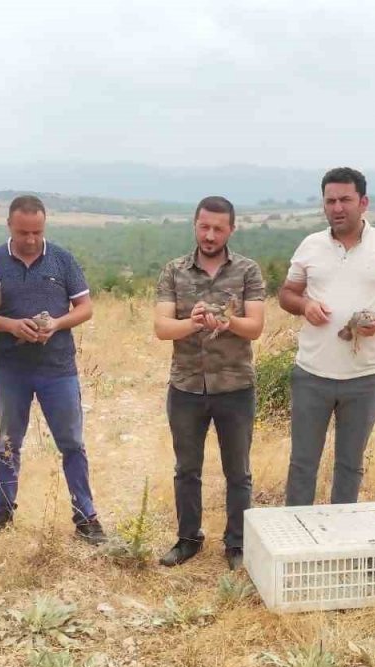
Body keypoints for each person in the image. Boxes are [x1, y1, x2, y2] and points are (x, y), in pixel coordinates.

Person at [278, 167, 375, 506]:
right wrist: (305, 304)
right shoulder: (310, 245)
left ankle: (341, 538)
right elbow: (286, 294)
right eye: (330, 201)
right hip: (311, 373)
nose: (337, 208)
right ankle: (296, 538)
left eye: (345, 200)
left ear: (364, 202)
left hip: (363, 378)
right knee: (302, 463)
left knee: (349, 465)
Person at [0, 195, 105, 543]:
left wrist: (57, 324)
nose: (30, 239)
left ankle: (85, 515)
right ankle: (2, 508)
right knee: (8, 442)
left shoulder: (62, 259)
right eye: (23, 232)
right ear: (9, 227)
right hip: (11, 367)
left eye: (37, 232)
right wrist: (10, 326)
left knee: (72, 443)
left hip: (58, 367)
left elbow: (85, 307)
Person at [153, 196, 266, 570]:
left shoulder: (248, 271)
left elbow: (256, 327)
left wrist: (227, 322)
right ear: (195, 224)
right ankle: (188, 539)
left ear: (231, 229)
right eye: (204, 226)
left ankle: (237, 545)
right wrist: (196, 322)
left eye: (218, 228)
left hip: (235, 386)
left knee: (239, 471)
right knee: (187, 469)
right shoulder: (173, 271)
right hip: (186, 386)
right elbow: (162, 328)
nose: (210, 234)